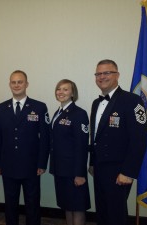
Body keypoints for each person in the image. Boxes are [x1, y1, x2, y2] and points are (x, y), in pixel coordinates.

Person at [89, 59, 147, 225]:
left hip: (119, 170)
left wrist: (128, 172)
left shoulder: (132, 101)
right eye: (98, 74)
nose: (102, 77)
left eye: (107, 72)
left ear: (117, 75)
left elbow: (139, 139)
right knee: (102, 212)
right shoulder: (96, 103)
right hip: (100, 168)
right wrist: (92, 163)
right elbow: (95, 138)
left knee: (116, 215)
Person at [0, 70, 50, 225]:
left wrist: (41, 163)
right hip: (8, 165)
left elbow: (45, 138)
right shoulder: (1, 108)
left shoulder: (39, 107)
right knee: (10, 204)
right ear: (9, 85)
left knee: (32, 204)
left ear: (26, 84)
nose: (17, 85)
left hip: (31, 166)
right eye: (13, 82)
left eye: (20, 82)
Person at [50, 79, 90, 225]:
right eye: (59, 89)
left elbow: (81, 145)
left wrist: (80, 173)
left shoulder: (79, 113)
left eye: (65, 89)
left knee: (77, 207)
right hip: (61, 169)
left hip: (73, 170)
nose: (61, 92)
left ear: (73, 93)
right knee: (67, 205)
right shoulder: (58, 112)